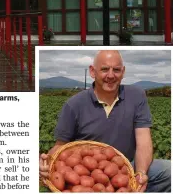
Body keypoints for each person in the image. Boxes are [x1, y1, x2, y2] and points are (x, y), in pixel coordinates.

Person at [39, 50, 171, 192]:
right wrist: (45, 163)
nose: (110, 75)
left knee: (169, 170)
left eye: (116, 70)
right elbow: (60, 146)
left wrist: (141, 173)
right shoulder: (73, 105)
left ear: (123, 71)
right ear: (92, 71)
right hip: (86, 173)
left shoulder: (137, 96)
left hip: (127, 167)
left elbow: (144, 140)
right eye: (104, 69)